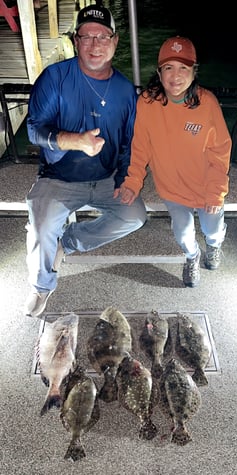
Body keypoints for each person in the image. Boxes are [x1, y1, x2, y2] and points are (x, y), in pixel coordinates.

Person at [23, 1, 147, 318]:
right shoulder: (53, 78)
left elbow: (129, 144)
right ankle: (42, 285)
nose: (95, 45)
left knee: (134, 215)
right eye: (86, 36)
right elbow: (35, 130)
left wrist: (126, 180)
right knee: (40, 225)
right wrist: (74, 140)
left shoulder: (125, 91)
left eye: (103, 36)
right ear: (76, 41)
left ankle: (71, 241)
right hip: (57, 177)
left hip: (106, 178)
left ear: (115, 42)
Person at [120, 36, 232, 288]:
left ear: (194, 72)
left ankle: (213, 247)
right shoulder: (147, 102)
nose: (176, 75)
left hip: (206, 188)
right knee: (182, 233)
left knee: (212, 229)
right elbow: (140, 147)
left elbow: (220, 151)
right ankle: (192, 257)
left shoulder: (207, 103)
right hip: (172, 189)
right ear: (159, 73)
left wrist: (216, 192)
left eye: (183, 67)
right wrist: (133, 182)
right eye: (168, 67)